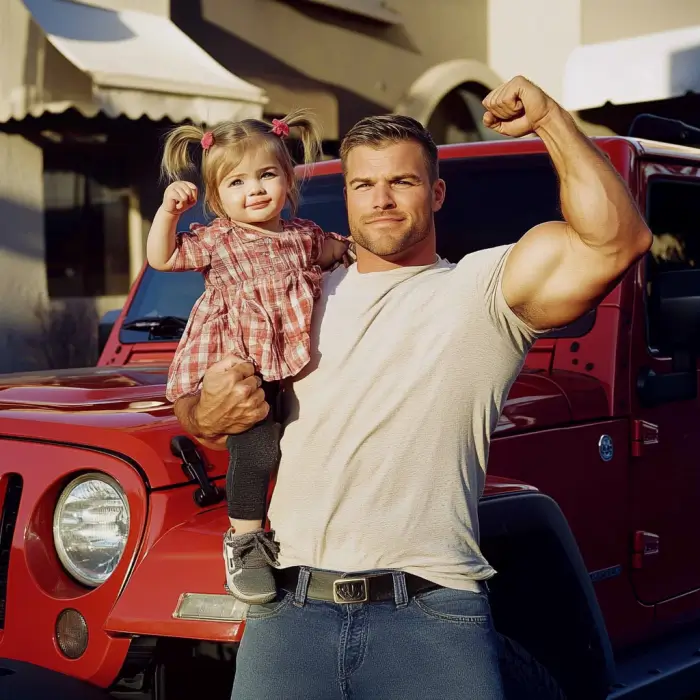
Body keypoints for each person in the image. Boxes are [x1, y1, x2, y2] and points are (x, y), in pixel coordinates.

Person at [173, 76, 652, 699]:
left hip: (430, 617)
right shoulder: (294, 295)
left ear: (436, 191)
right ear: (341, 196)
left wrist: (551, 119)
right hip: (287, 613)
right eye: (362, 185)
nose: (381, 200)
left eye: (401, 181)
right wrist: (204, 413)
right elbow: (200, 407)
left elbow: (616, 239)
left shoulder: (483, 290)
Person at [146, 109, 351, 605]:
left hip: (296, 364)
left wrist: (350, 251)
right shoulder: (219, 239)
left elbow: (341, 254)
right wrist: (169, 213)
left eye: (266, 175)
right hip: (243, 365)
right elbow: (163, 257)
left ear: (288, 180)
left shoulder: (303, 235)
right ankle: (244, 541)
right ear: (216, 199)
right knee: (255, 448)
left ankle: (307, 533)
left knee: (301, 446)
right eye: (236, 182)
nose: (254, 190)